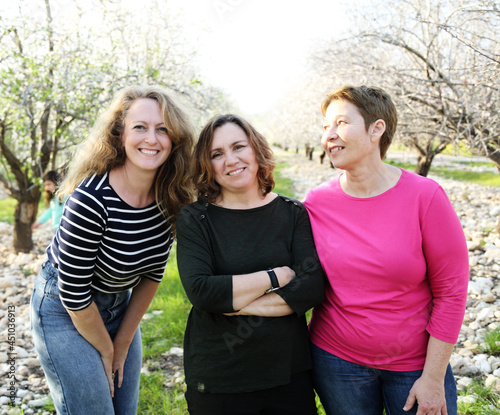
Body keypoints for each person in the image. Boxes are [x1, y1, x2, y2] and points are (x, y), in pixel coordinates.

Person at [303, 85, 469, 415]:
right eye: (325, 127)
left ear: (376, 129)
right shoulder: (316, 202)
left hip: (415, 365)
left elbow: (451, 292)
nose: (329, 136)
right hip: (337, 363)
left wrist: (433, 378)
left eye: (340, 123)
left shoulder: (425, 197)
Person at [30, 85, 196, 415]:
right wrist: (107, 352)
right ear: (120, 135)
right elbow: (74, 295)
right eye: (140, 127)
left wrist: (122, 342)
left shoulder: (171, 197)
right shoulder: (91, 200)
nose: (152, 139)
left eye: (162, 129)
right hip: (65, 308)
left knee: (124, 409)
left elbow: (152, 275)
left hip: (119, 306)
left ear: (174, 139)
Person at [176, 114, 325, 415]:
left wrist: (230, 301)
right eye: (216, 154)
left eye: (238, 147)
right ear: (208, 165)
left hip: (288, 375)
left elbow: (310, 287)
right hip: (218, 377)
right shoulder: (195, 218)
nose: (230, 160)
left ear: (256, 149)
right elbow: (202, 291)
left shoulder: (292, 213)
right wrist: (276, 276)